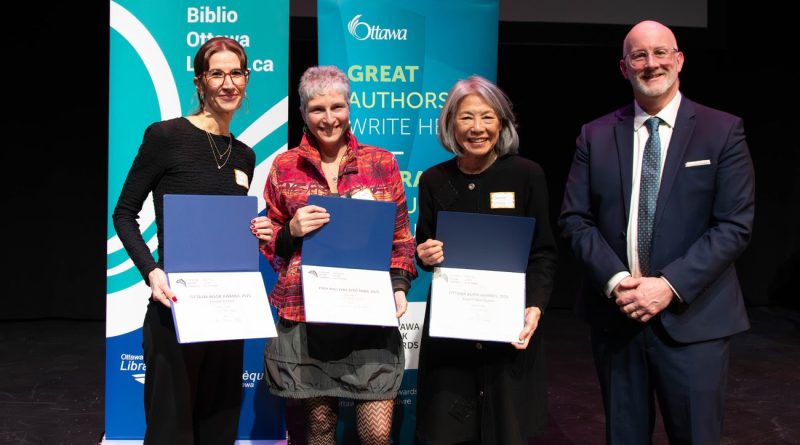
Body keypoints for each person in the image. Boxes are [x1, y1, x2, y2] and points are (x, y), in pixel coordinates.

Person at [559, 20, 755, 444]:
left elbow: (734, 226)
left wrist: (667, 286)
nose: (651, 64)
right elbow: (575, 220)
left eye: (661, 52)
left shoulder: (722, 131)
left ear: (679, 59)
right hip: (618, 317)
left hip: (694, 320)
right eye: (639, 56)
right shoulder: (594, 136)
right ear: (624, 67)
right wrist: (617, 283)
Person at [112, 37, 273, 444]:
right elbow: (124, 213)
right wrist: (152, 272)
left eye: (236, 73)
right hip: (175, 307)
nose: (228, 83)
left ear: (247, 79)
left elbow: (223, 230)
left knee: (219, 427)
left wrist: (256, 231)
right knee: (171, 431)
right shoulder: (166, 137)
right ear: (200, 82)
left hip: (227, 310)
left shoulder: (245, 155)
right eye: (216, 73)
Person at [261, 65, 417, 445]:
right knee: (319, 429)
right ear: (303, 112)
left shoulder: (381, 163)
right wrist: (291, 232)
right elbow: (269, 240)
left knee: (377, 434)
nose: (328, 119)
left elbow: (400, 237)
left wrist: (398, 285)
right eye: (317, 109)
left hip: (368, 313)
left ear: (349, 107)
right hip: (307, 314)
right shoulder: (284, 166)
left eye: (337, 107)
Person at [414, 75, 558, 445]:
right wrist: (425, 253)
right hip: (452, 335)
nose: (477, 128)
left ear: (502, 123)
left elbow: (543, 252)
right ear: (450, 125)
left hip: (508, 331)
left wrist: (535, 308)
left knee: (507, 431)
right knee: (448, 431)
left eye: (487, 117)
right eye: (465, 118)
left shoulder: (526, 175)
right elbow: (424, 247)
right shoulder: (433, 180)